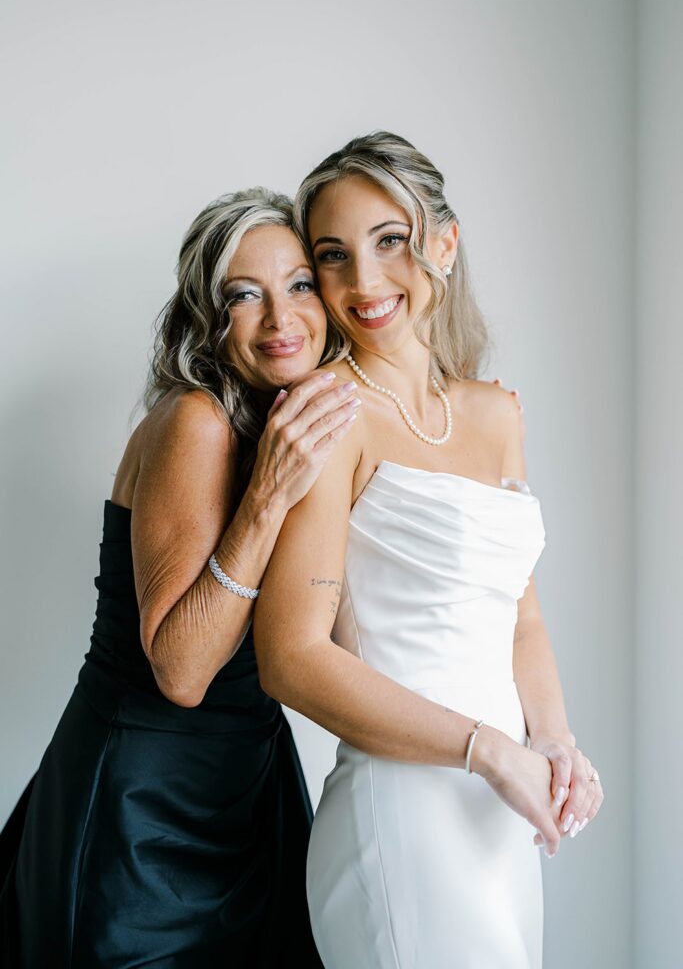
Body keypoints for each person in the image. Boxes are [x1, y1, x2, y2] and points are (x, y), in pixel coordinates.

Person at [253, 132, 605, 968]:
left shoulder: (495, 412)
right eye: (332, 256)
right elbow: (291, 658)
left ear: (442, 244)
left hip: (503, 817)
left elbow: (518, 618)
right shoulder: (327, 414)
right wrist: (488, 750)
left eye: (390, 241)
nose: (364, 282)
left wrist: (552, 740)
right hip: (402, 813)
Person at [0, 188, 361, 968]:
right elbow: (182, 672)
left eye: (299, 285)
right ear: (208, 314)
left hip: (250, 789)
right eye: (245, 295)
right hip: (143, 807)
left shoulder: (299, 425)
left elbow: (335, 638)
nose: (281, 319)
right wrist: (266, 497)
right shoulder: (196, 421)